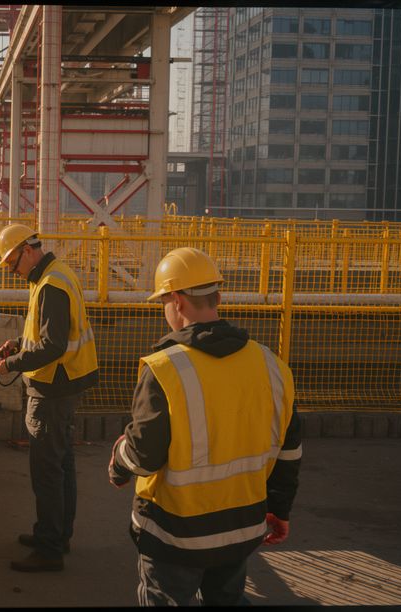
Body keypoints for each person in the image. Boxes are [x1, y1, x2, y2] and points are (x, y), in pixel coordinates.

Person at [107, 247, 302, 605]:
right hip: (241, 528)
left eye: (164, 300)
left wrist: (119, 462)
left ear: (178, 301)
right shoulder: (270, 364)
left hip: (175, 535)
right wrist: (280, 508)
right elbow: (290, 451)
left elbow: (143, 456)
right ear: (217, 296)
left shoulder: (165, 368)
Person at [0, 223, 99, 572]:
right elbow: (49, 334)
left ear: (28, 250)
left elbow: (52, 347)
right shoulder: (55, 275)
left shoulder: (51, 284)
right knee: (62, 464)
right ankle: (56, 535)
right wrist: (19, 344)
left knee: (47, 471)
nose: (11, 269)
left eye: (12, 262)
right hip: (65, 384)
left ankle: (50, 549)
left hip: (53, 387)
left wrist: (10, 363)